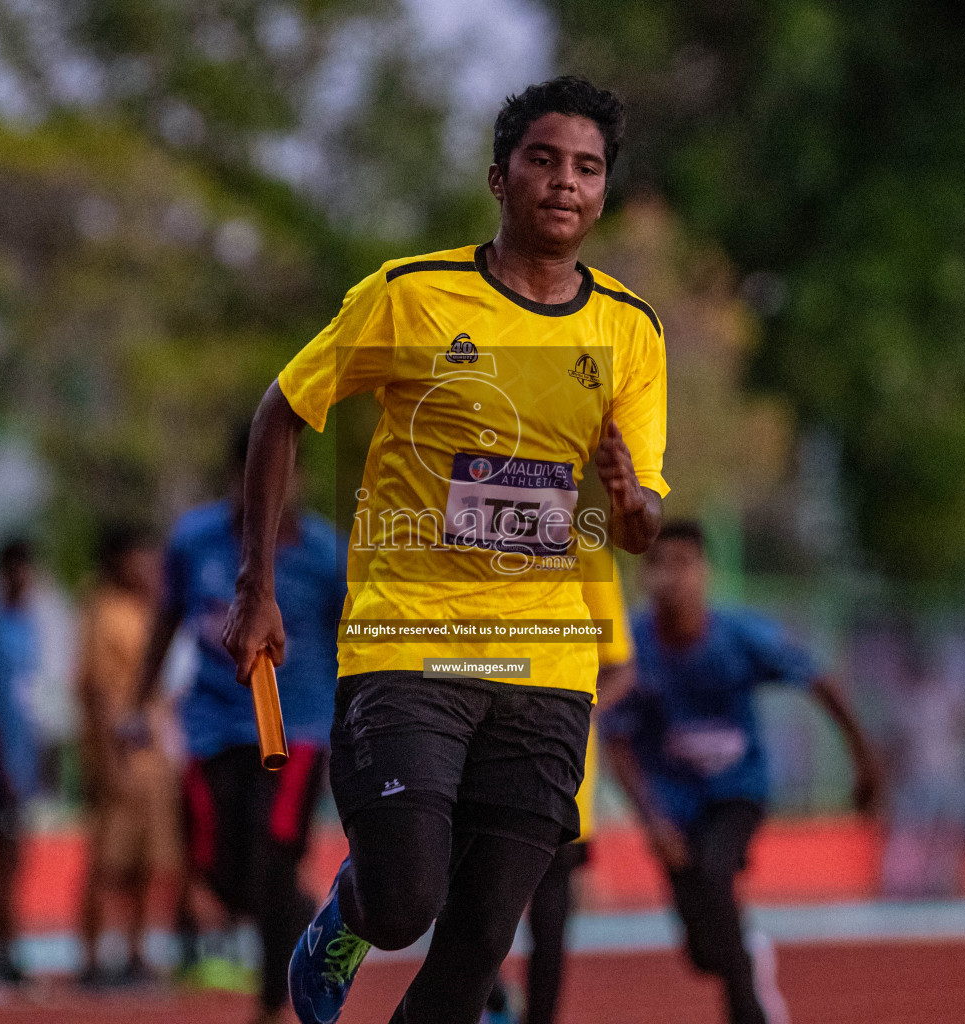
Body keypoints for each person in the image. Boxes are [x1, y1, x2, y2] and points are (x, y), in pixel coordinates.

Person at [222, 77, 668, 1024]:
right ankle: (344, 914)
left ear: (603, 193)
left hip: (545, 662)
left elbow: (640, 523)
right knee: (405, 903)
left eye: (588, 168)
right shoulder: (412, 297)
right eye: (543, 160)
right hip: (409, 644)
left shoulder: (629, 331)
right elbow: (282, 411)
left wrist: (631, 509)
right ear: (499, 177)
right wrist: (255, 584)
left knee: (474, 945)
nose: (565, 183)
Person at [601, 520, 881, 1024]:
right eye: (658, 565)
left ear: (705, 572)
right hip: (671, 805)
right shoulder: (633, 648)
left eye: (683, 564)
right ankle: (746, 952)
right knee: (705, 953)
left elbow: (822, 683)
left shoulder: (743, 636)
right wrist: (653, 822)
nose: (671, 577)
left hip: (737, 792)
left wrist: (865, 763)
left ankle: (748, 1013)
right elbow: (616, 742)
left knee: (714, 871)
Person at [131, 429, 345, 1023]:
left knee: (274, 861)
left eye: (288, 474)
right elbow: (165, 620)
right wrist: (137, 704)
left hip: (296, 731)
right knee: (220, 876)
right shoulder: (194, 542)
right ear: (239, 477)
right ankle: (315, 918)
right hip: (212, 728)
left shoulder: (326, 555)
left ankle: (273, 1006)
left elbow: (357, 641)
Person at [485, 549, 636, 1024]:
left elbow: (619, 666)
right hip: (482, 757)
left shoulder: (588, 552)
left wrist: (571, 711)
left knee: (550, 922)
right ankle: (492, 1000)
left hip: (560, 772)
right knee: (476, 907)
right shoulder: (471, 534)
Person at [77, 524, 178, 986]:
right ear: (118, 560)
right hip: (118, 761)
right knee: (106, 863)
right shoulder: (102, 613)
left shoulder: (149, 612)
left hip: (152, 760)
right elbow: (95, 691)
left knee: (145, 862)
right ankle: (93, 961)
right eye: (140, 557)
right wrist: (108, 760)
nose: (149, 567)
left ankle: (136, 954)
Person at [0, 537, 42, 984]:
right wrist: (2, 766)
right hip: (0, 766)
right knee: (1, 859)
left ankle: (5, 944)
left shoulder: (31, 625)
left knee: (17, 859)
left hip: (25, 759)